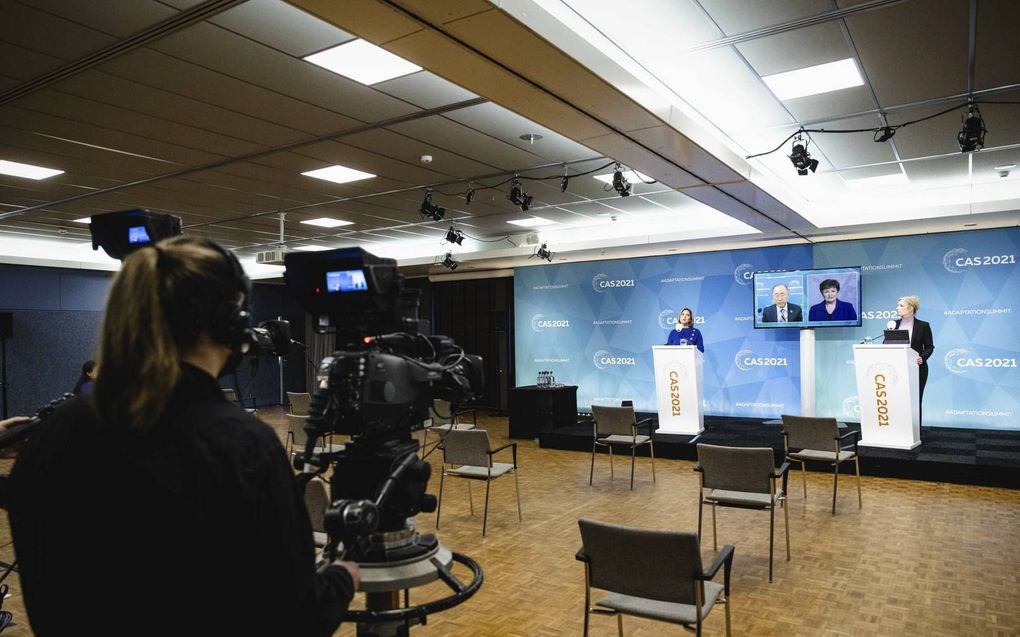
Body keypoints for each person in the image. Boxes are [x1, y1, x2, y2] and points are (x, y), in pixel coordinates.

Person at [6, 237, 359, 636]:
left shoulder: (54, 432)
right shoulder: (243, 446)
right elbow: (297, 617)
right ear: (231, 322)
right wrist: (342, 577)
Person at [894, 295, 935, 425]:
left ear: (911, 308)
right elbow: (887, 343)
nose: (897, 308)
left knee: (915, 401)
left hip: (917, 369)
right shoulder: (893, 324)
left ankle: (915, 431)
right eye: (898, 305)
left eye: (901, 305)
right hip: (896, 369)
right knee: (898, 400)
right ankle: (899, 428)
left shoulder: (923, 326)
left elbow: (929, 347)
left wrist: (921, 358)